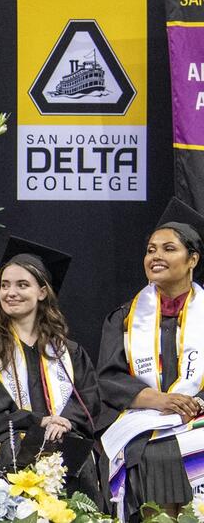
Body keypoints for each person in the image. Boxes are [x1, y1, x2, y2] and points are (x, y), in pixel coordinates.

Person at [0, 237, 105, 500]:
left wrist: (66, 421)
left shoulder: (69, 352)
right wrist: (37, 421)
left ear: (42, 292)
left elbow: (89, 402)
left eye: (23, 285)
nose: (11, 293)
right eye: (5, 285)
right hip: (12, 458)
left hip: (68, 456)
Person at [99, 198, 204, 521]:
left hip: (198, 418)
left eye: (168, 248)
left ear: (192, 260)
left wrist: (195, 403)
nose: (156, 256)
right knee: (152, 452)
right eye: (150, 249)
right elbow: (109, 379)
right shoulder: (125, 319)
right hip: (145, 421)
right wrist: (161, 400)